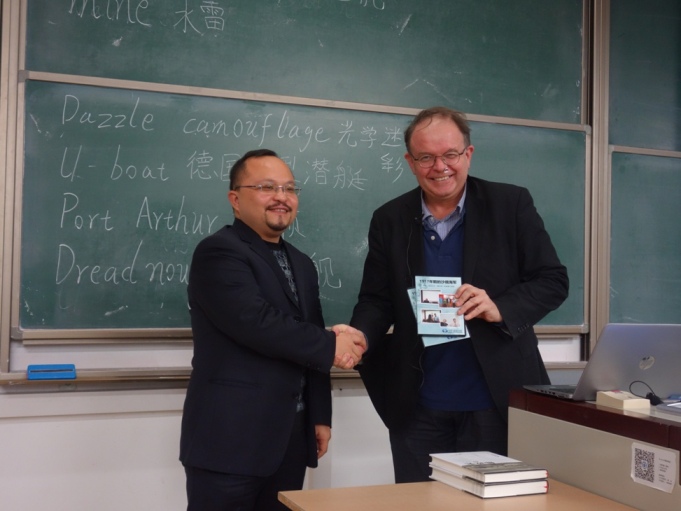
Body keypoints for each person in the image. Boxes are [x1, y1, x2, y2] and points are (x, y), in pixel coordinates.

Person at [346, 107, 569, 483]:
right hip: (417, 405)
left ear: (468, 154)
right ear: (410, 162)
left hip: (496, 401)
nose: (440, 167)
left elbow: (553, 280)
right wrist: (360, 336)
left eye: (450, 154)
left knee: (496, 506)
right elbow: (376, 300)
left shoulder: (510, 204)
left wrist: (499, 307)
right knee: (420, 505)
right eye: (426, 157)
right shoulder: (389, 218)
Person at [179, 149, 366, 510]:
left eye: (289, 188)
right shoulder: (218, 252)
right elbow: (257, 323)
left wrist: (319, 415)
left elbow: (307, 334)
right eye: (267, 187)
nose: (282, 197)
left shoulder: (302, 263)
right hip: (228, 441)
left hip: (290, 439)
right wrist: (334, 343)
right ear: (235, 199)